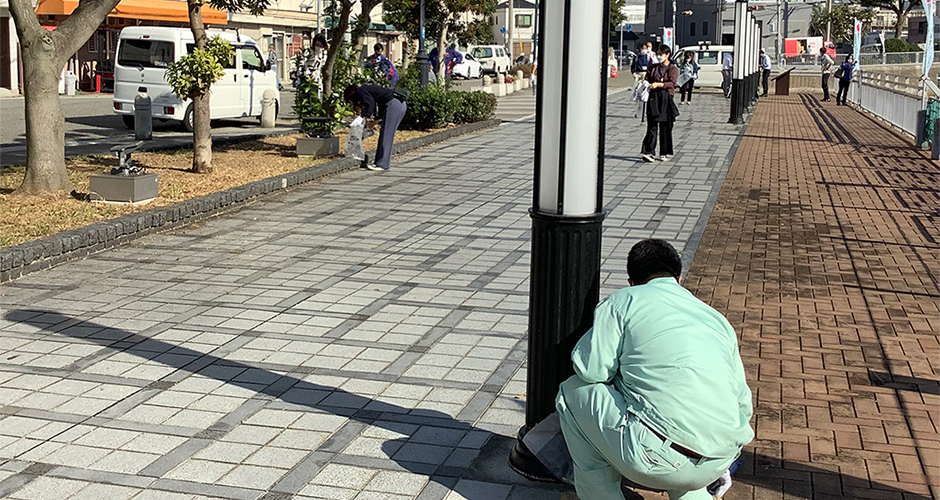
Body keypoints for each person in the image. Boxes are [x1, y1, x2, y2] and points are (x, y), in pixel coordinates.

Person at [556, 238, 754, 500]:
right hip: (721, 458)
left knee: (572, 392)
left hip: (655, 459)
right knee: (678, 411)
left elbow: (591, 371)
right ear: (679, 278)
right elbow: (743, 404)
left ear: (631, 282)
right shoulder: (716, 319)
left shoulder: (622, 302)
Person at [344, 84, 407, 171]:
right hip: (401, 105)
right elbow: (378, 112)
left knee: (386, 136)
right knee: (386, 135)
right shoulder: (370, 90)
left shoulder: (360, 91)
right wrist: (369, 127)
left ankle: (382, 164)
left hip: (394, 105)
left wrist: (362, 116)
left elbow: (370, 104)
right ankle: (379, 162)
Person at [640, 45, 679, 163]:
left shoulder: (673, 68)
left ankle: (664, 152)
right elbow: (647, 77)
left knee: (666, 126)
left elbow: (672, 83)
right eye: (658, 54)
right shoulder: (653, 67)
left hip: (666, 98)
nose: (659, 56)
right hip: (653, 98)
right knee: (652, 125)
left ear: (667, 55)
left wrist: (659, 84)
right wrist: (646, 81)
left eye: (661, 54)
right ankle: (648, 151)